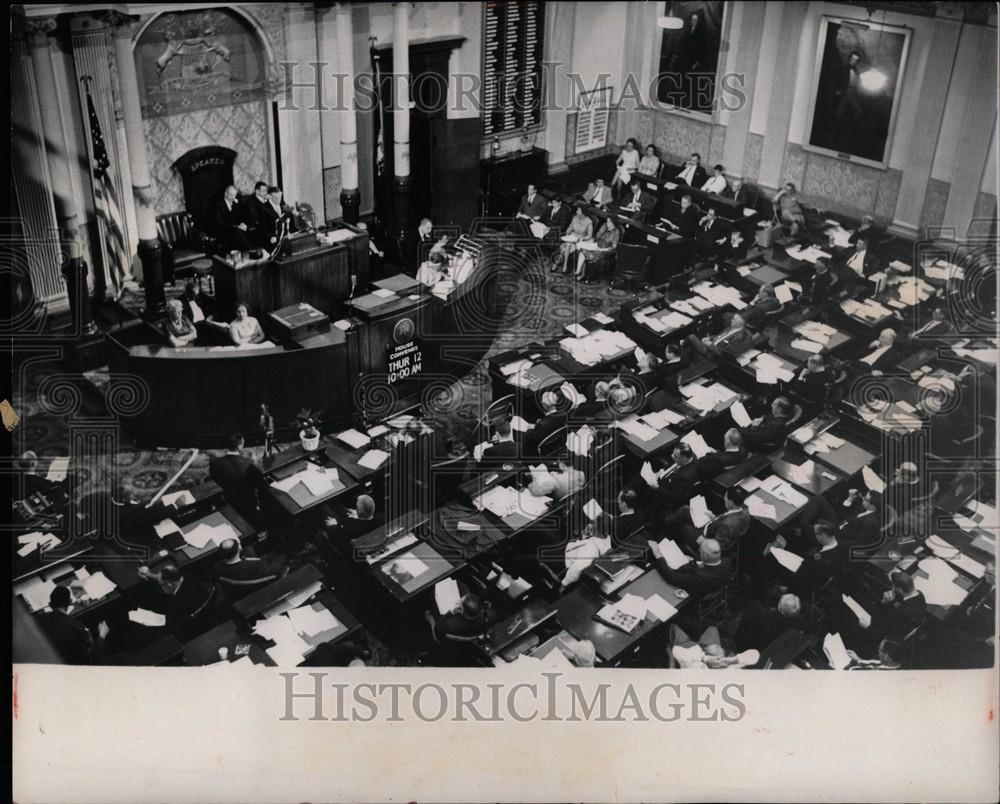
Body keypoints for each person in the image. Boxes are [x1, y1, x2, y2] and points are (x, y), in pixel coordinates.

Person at [766, 520, 845, 595]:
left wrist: (789, 589)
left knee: (770, 560)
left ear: (823, 536)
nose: (814, 536)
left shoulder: (826, 563)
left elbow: (809, 585)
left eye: (816, 534)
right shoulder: (833, 544)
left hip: (799, 579)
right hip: (804, 565)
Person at [35, 586, 108, 664]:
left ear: (50, 604)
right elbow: (93, 654)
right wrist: (102, 635)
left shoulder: (40, 619)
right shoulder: (76, 628)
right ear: (70, 602)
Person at [208, 433, 264, 526]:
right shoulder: (248, 463)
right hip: (248, 505)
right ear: (239, 447)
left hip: (227, 502)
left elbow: (214, 480)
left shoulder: (215, 463)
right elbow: (258, 483)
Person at [650, 538, 733, 599]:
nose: (699, 551)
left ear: (704, 556)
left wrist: (658, 554)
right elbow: (711, 568)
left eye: (700, 550)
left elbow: (671, 576)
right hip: (716, 587)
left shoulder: (699, 577)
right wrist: (694, 562)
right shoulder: (727, 562)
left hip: (697, 596)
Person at [211, 538, 286, 596]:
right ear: (239, 549)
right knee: (282, 556)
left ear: (221, 553)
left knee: (249, 548)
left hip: (237, 592)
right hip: (258, 587)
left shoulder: (217, 567)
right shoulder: (257, 565)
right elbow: (278, 570)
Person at [670, 623, 759, 669]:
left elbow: (677, 651)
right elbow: (755, 655)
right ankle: (704, 645)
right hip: (707, 653)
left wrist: (705, 659)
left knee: (673, 627)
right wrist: (730, 660)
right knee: (712, 629)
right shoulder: (732, 670)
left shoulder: (694, 671)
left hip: (692, 653)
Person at [685, 312, 755, 359]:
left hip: (713, 354)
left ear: (739, 323)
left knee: (691, 337)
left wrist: (710, 345)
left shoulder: (740, 337)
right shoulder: (732, 327)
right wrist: (710, 338)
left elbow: (726, 354)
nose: (731, 320)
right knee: (699, 335)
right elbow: (720, 337)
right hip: (713, 345)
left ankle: (683, 360)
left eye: (733, 319)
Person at [208, 185, 253, 252]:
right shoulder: (217, 205)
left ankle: (248, 251)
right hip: (222, 232)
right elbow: (219, 223)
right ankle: (249, 250)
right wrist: (235, 226)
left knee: (249, 230)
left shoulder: (236, 204)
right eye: (231, 195)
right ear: (226, 194)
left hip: (235, 231)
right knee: (237, 232)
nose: (233, 197)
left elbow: (241, 217)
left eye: (235, 195)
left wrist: (243, 224)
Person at [576, 218, 620, 283]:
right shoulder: (604, 227)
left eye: (609, 222)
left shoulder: (616, 232)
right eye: (607, 221)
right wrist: (602, 230)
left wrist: (601, 249)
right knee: (582, 250)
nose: (607, 223)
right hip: (597, 246)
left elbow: (613, 247)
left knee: (585, 253)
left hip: (605, 251)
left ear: (614, 223)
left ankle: (582, 274)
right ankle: (579, 272)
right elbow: (596, 238)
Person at [558, 206, 594, 273]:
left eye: (578, 210)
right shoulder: (575, 218)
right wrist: (567, 232)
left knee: (564, 248)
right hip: (572, 237)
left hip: (580, 240)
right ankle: (565, 265)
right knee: (568, 245)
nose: (576, 211)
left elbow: (589, 236)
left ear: (583, 212)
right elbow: (570, 227)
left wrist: (582, 238)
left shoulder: (589, 222)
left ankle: (562, 265)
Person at [246, 181, 272, 247]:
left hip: (268, 225)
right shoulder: (251, 201)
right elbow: (257, 216)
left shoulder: (266, 200)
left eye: (266, 191)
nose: (266, 193)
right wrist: (266, 203)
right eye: (263, 191)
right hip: (258, 228)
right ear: (257, 191)